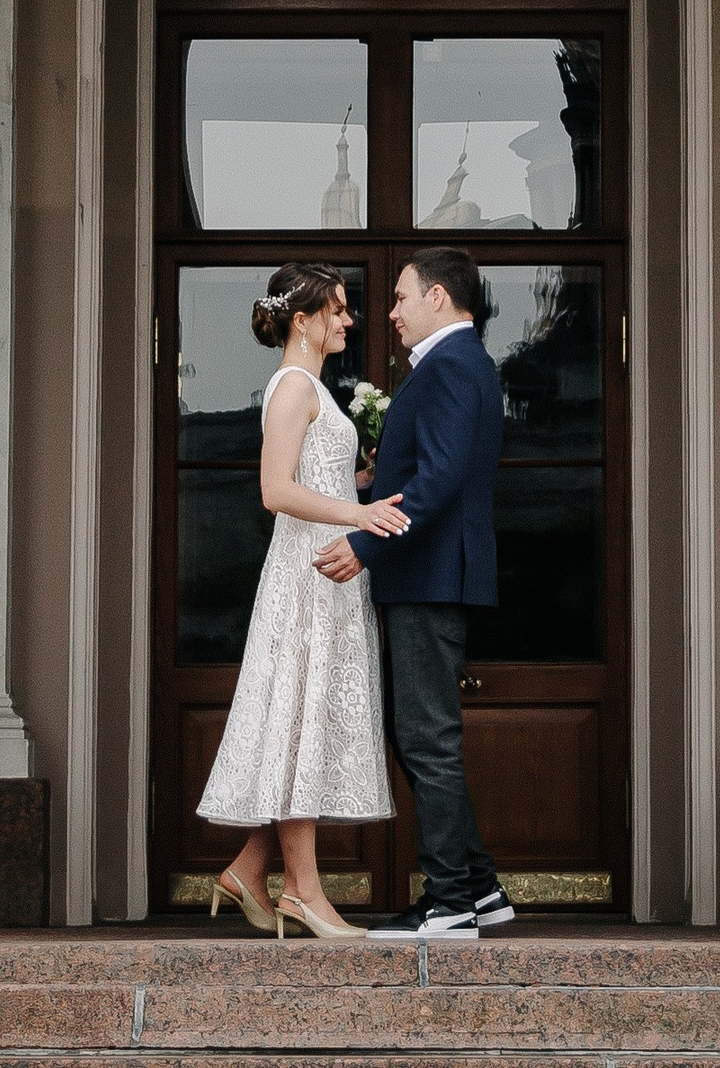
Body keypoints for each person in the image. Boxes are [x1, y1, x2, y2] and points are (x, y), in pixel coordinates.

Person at [194, 263, 405, 940]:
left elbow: (315, 472)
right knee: (298, 725)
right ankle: (305, 895)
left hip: (325, 580)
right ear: (303, 318)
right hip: (304, 580)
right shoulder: (291, 387)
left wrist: (363, 473)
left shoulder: (313, 387)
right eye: (338, 310)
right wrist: (362, 511)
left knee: (300, 732)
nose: (348, 321)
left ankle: (249, 871)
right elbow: (276, 491)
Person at [313, 246, 509, 940]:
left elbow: (442, 477)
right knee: (422, 736)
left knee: (426, 738)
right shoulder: (456, 365)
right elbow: (430, 468)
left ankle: (451, 900)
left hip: (428, 576)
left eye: (400, 297)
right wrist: (371, 482)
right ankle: (479, 888)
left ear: (439, 298)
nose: (389, 312)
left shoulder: (453, 364)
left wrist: (364, 543)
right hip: (427, 573)